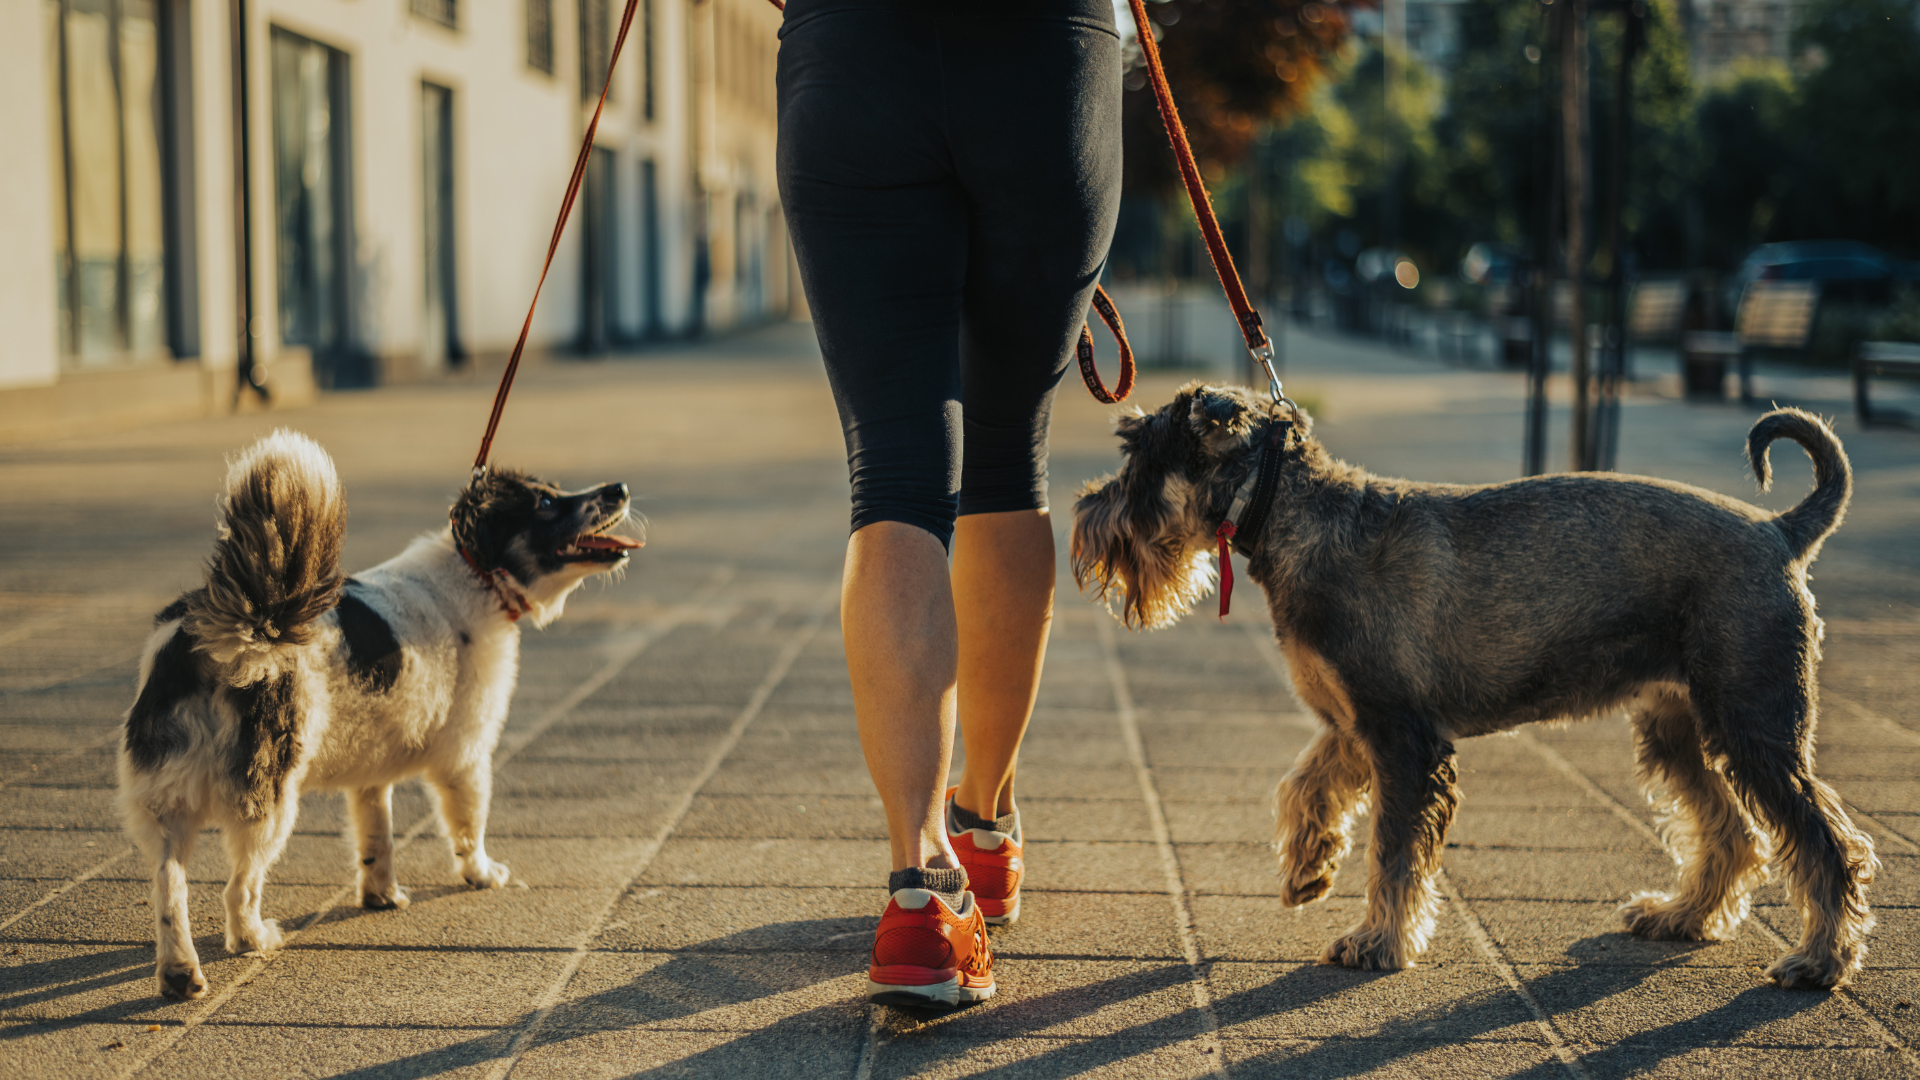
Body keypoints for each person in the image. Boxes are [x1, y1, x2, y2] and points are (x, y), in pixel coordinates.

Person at [775, 0, 1122, 1008]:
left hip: (852, 60)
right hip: (1040, 61)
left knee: (894, 469)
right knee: (1008, 457)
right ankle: (982, 827)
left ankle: (921, 891)